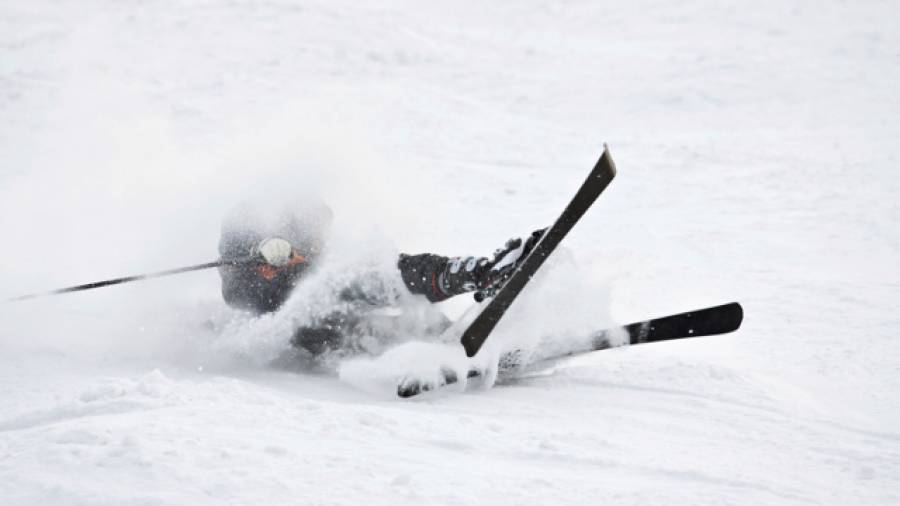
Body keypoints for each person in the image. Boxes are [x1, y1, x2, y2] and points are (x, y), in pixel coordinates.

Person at [218, 201, 543, 357]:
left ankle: (482, 273)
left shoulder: (308, 228)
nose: (314, 245)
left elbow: (320, 219)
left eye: (317, 239)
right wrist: (261, 262)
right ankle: (427, 350)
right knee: (364, 323)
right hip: (304, 323)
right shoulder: (244, 223)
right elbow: (235, 292)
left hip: (337, 290)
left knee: (387, 274)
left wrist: (308, 250)